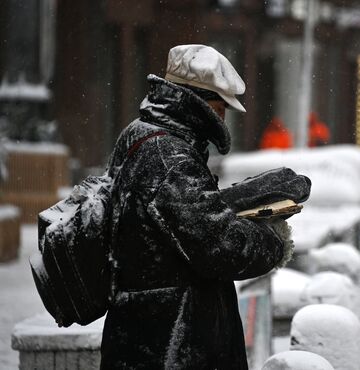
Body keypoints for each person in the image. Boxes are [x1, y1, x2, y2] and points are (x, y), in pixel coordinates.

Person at [100, 44, 296, 370]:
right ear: (199, 104)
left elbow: (186, 223)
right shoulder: (168, 154)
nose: (222, 117)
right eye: (221, 107)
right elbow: (219, 246)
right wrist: (275, 241)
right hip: (169, 345)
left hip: (154, 335)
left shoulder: (144, 136)